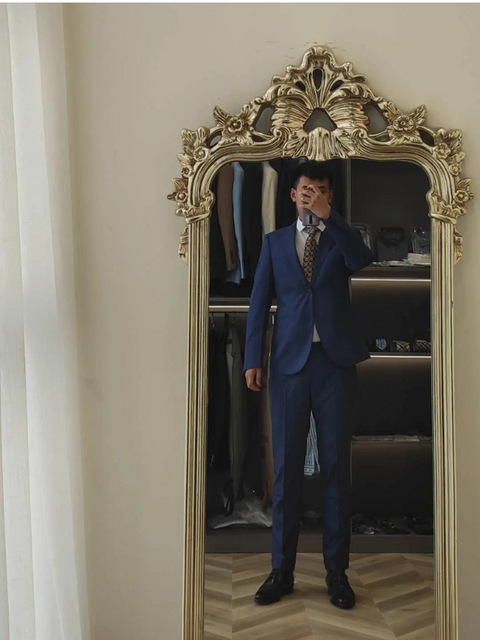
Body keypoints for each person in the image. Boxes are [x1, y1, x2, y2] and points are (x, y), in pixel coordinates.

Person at [243, 160, 374, 609]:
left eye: (319, 189)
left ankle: (337, 573)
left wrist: (330, 218)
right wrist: (251, 359)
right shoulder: (275, 242)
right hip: (288, 366)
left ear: (329, 196)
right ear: (292, 194)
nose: (311, 194)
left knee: (337, 469)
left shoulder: (341, 237)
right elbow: (259, 302)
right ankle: (281, 570)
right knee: (286, 472)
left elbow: (361, 259)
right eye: (305, 189)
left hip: (335, 364)